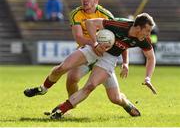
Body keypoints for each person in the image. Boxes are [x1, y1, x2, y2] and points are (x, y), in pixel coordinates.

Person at [24, 13, 157, 119]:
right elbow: (90, 23)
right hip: (94, 48)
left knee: (99, 90)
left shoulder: (144, 40)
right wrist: (95, 44)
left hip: (109, 59)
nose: (148, 34)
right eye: (147, 30)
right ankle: (45, 92)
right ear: (138, 28)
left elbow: (151, 58)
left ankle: (125, 103)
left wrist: (148, 78)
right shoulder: (119, 24)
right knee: (62, 68)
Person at [67, 0, 129, 98]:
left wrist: (125, 62)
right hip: (86, 52)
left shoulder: (107, 16)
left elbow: (121, 40)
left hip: (104, 57)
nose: (85, 0)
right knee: (71, 78)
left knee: (115, 98)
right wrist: (95, 44)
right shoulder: (76, 14)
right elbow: (79, 39)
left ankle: (126, 104)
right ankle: (70, 105)